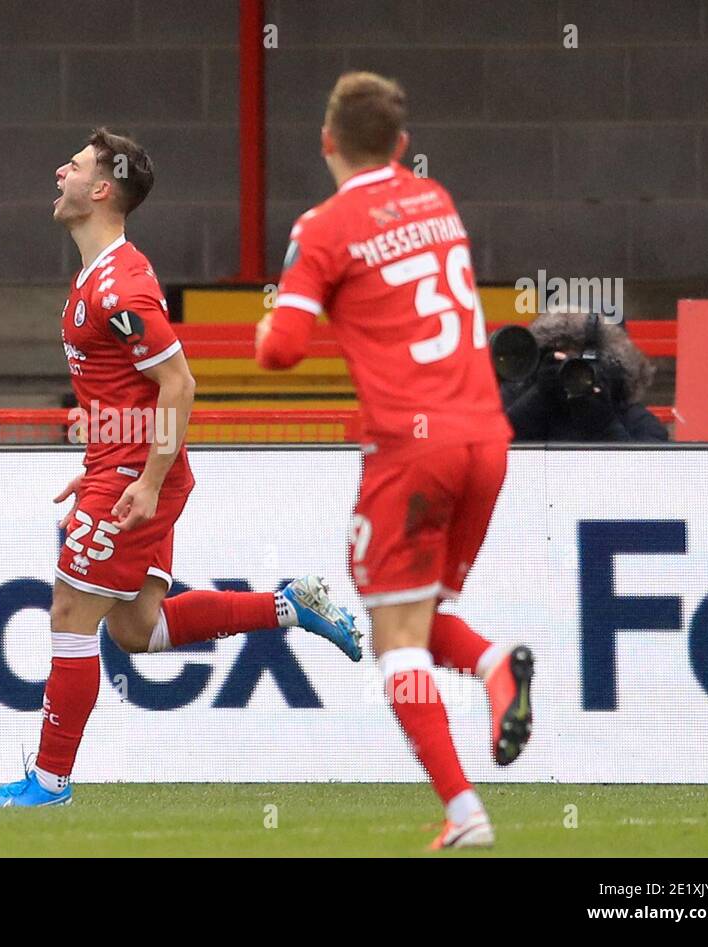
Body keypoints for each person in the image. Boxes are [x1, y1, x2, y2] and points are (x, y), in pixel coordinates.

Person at [0, 128, 363, 808]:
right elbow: (127, 390)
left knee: (68, 610)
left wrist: (142, 480)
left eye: (77, 163)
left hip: (136, 475)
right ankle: (288, 605)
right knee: (136, 628)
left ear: (100, 190)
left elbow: (180, 384)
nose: (60, 167)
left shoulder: (121, 288)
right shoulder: (97, 275)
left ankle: (49, 781)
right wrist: (100, 462)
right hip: (120, 465)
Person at [255, 73, 534, 849]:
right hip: (487, 439)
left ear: (325, 141)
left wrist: (270, 316)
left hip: (414, 448)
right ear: (402, 147)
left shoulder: (325, 226)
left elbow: (279, 352)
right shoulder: (434, 198)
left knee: (396, 637)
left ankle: (465, 811)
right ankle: (492, 668)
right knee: (419, 615)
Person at [501, 309, 669, 442]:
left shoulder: (635, 420)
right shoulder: (521, 402)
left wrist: (604, 424)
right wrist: (538, 396)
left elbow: (647, 476)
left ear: (611, 367)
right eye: (560, 363)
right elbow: (496, 448)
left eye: (582, 365)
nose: (571, 373)